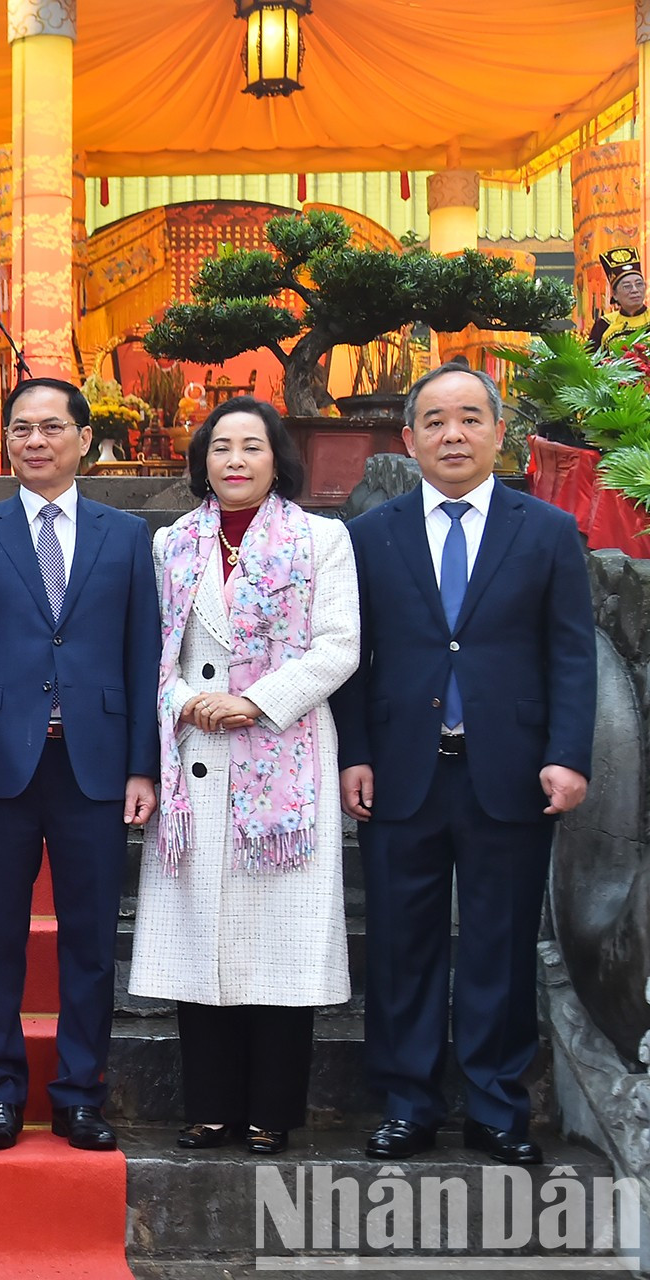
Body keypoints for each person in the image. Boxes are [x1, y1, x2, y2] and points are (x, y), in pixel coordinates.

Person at [332, 360, 596, 1166]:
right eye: (436, 421)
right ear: (408, 438)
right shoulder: (369, 535)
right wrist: (355, 754)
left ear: (499, 433)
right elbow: (350, 659)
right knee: (400, 946)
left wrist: (567, 756)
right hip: (401, 771)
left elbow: (571, 654)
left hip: (510, 772)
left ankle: (496, 1106)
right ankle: (407, 1104)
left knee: (499, 946)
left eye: (471, 419)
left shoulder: (546, 531)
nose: (454, 434)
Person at [0, 376, 159, 1153]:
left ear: (84, 440)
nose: (35, 440)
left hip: (95, 769)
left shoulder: (126, 537)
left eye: (52, 427)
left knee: (89, 944)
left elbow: (143, 656)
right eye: (21, 428)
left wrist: (142, 766)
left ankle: (79, 1096)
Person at [127, 397, 358, 1156]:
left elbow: (338, 647)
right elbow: (151, 648)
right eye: (220, 446)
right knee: (202, 942)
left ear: (277, 459)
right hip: (196, 756)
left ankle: (271, 1112)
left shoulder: (321, 539)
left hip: (284, 760)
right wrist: (184, 700)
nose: (235, 459)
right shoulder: (171, 543)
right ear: (202, 461)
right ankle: (210, 1107)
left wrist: (255, 701)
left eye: (251, 446)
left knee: (280, 945)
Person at [585, 247, 650, 351]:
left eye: (639, 284)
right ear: (614, 294)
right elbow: (589, 358)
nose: (635, 290)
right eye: (627, 286)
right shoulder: (604, 324)